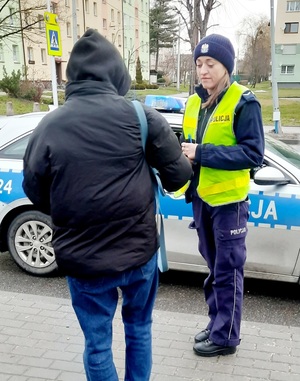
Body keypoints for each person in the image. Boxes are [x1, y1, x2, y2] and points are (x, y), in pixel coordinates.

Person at [22, 29, 192, 380]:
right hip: (137, 253)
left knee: (97, 345)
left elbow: (36, 192)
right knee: (139, 330)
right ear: (117, 75)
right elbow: (178, 176)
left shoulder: (50, 126)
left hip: (83, 260)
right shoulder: (142, 117)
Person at [177, 34, 265, 357]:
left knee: (228, 271)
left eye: (210, 64)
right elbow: (187, 146)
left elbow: (253, 154)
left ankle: (226, 337)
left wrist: (202, 153)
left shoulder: (244, 102)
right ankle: (217, 324)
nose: (203, 70)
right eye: (199, 64)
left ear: (226, 66)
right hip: (202, 200)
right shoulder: (194, 103)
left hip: (229, 205)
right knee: (215, 269)